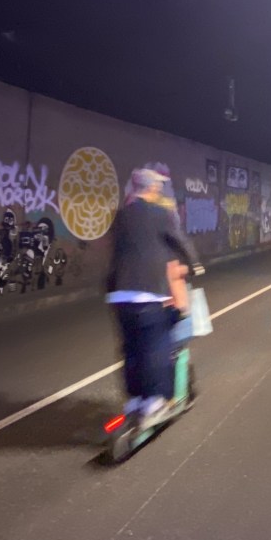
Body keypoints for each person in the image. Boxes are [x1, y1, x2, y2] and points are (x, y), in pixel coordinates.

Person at [106, 168, 201, 420]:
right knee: (155, 346)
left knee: (131, 349)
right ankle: (154, 401)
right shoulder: (161, 214)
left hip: (119, 294)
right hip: (150, 293)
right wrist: (194, 265)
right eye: (157, 186)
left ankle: (134, 400)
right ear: (152, 188)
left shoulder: (120, 216)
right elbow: (179, 241)